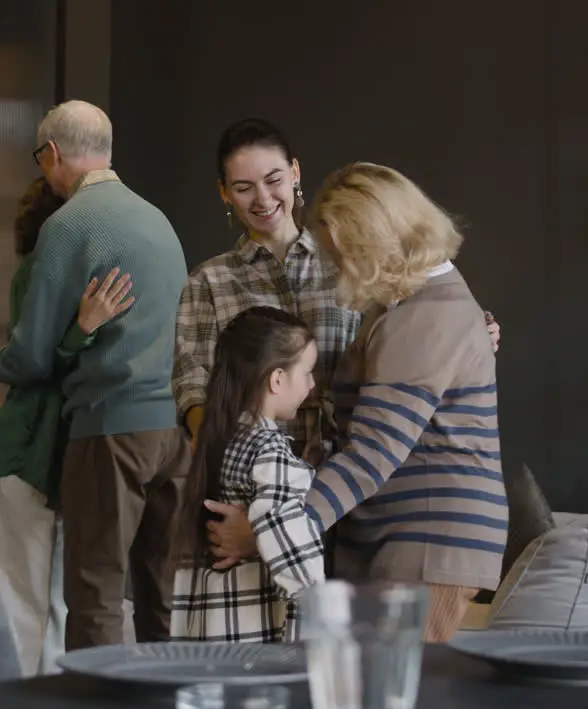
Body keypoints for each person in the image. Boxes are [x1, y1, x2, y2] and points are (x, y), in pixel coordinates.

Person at [208, 163, 506, 643]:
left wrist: (271, 532)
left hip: (425, 543)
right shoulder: (414, 306)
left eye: (342, 256)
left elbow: (372, 454)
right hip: (405, 541)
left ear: (373, 244)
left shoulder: (426, 315)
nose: (339, 271)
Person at [174, 118, 501, 473]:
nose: (263, 199)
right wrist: (220, 454)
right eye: (243, 188)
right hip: (258, 470)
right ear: (224, 193)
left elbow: (408, 323)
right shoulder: (210, 279)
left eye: (273, 180)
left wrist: (466, 335)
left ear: (295, 172)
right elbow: (192, 382)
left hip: (352, 462)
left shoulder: (349, 256)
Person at [0, 100, 190, 650]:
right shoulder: (158, 220)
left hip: (109, 428)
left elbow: (29, 358)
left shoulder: (67, 225)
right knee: (158, 590)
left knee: (95, 591)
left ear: (51, 154)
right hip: (173, 430)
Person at [0, 177, 134, 674]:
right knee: (23, 602)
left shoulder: (86, 278)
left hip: (60, 454)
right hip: (26, 453)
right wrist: (81, 331)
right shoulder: (39, 273)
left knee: (50, 601)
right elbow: (29, 363)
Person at [170, 307, 325, 643]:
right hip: (253, 640)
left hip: (206, 629)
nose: (312, 386)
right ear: (278, 379)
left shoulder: (219, 439)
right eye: (308, 372)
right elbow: (302, 574)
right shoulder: (272, 454)